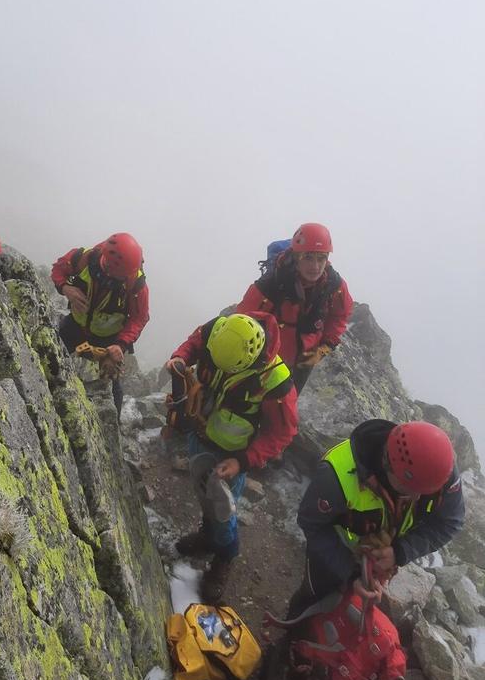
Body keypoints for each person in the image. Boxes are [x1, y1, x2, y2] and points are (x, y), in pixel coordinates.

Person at [166, 312, 298, 603]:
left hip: (231, 454)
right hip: (200, 433)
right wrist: (179, 358)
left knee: (223, 510)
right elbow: (192, 344)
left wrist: (243, 461)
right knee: (206, 495)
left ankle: (224, 557)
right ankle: (206, 535)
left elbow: (282, 433)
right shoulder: (218, 332)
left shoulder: (274, 381)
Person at [286, 419, 465, 620]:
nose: (416, 498)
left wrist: (400, 551)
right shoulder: (335, 474)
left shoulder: (437, 471)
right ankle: (292, 635)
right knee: (313, 596)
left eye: (423, 492)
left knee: (350, 612)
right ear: (388, 466)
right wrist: (351, 573)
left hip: (384, 554)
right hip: (336, 548)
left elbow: (450, 522)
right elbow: (312, 523)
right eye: (409, 489)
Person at [237, 223, 353, 394]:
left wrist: (323, 348)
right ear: (297, 256)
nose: (315, 266)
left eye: (321, 258)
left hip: (303, 363)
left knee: (285, 407)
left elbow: (339, 316)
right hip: (265, 363)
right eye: (308, 257)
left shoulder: (333, 285)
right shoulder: (272, 284)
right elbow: (241, 322)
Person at [51, 233, 149, 419]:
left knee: (112, 386)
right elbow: (58, 270)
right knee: (51, 356)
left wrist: (121, 345)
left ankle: (113, 428)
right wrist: (66, 288)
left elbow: (139, 318)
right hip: (76, 325)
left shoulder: (136, 285)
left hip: (110, 339)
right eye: (121, 275)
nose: (123, 278)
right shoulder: (84, 258)